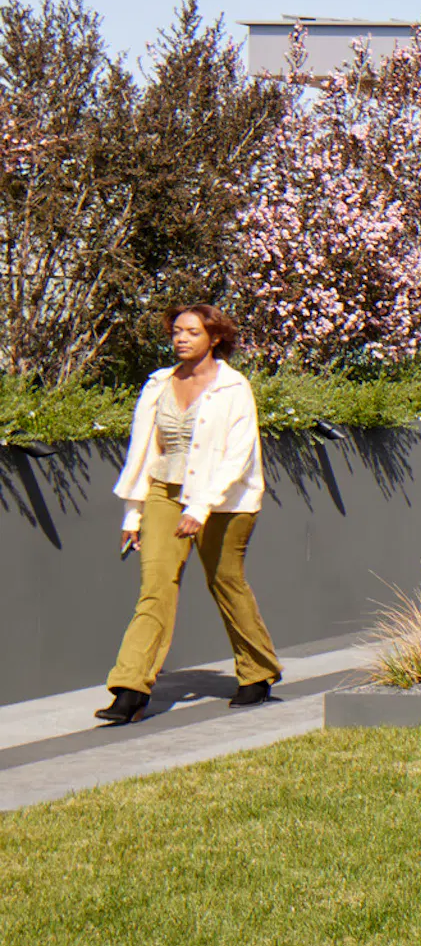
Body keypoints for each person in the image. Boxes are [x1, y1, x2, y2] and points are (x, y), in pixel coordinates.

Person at [97, 305, 276, 725]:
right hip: (163, 492)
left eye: (192, 332)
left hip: (224, 500)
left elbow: (239, 454)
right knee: (155, 588)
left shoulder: (233, 387)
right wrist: (132, 513)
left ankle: (257, 672)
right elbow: (142, 450)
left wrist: (200, 506)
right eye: (177, 331)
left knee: (225, 582)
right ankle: (130, 690)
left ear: (213, 338)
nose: (181, 339)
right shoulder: (158, 384)